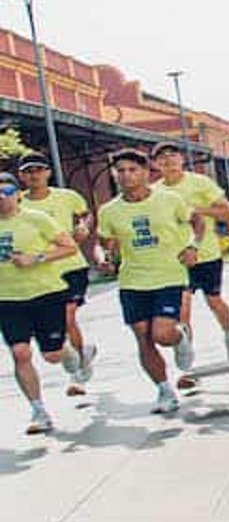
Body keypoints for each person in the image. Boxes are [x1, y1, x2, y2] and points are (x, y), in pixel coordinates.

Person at [95, 149, 202, 415]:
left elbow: (197, 221)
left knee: (163, 335)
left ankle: (181, 336)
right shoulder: (109, 210)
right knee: (143, 337)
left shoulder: (169, 199)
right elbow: (104, 243)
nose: (126, 176)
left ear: (145, 172)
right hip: (132, 282)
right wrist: (103, 258)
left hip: (169, 276)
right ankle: (165, 390)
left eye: (132, 170)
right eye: (120, 171)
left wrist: (192, 246)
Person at [0, 170, 85, 435]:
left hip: (46, 295)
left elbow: (69, 247)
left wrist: (35, 258)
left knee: (52, 355)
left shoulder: (36, 219)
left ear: (18, 195)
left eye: (7, 192)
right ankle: (38, 410)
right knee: (20, 353)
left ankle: (72, 354)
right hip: (8, 299)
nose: (2, 198)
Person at [17, 153, 98, 396]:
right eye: (29, 171)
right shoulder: (17, 202)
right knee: (58, 322)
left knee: (68, 315)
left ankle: (76, 374)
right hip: (42, 271)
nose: (34, 175)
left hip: (71, 265)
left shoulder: (66, 196)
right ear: (22, 176)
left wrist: (84, 225)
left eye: (39, 170)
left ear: (48, 173)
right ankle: (80, 353)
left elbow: (85, 213)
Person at [153, 143, 229, 363]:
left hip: (206, 254)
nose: (168, 161)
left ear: (181, 159)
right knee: (182, 309)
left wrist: (195, 210)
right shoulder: (154, 192)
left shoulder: (199, 182)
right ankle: (186, 360)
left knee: (214, 301)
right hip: (176, 261)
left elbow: (227, 212)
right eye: (162, 158)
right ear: (156, 165)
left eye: (172, 156)